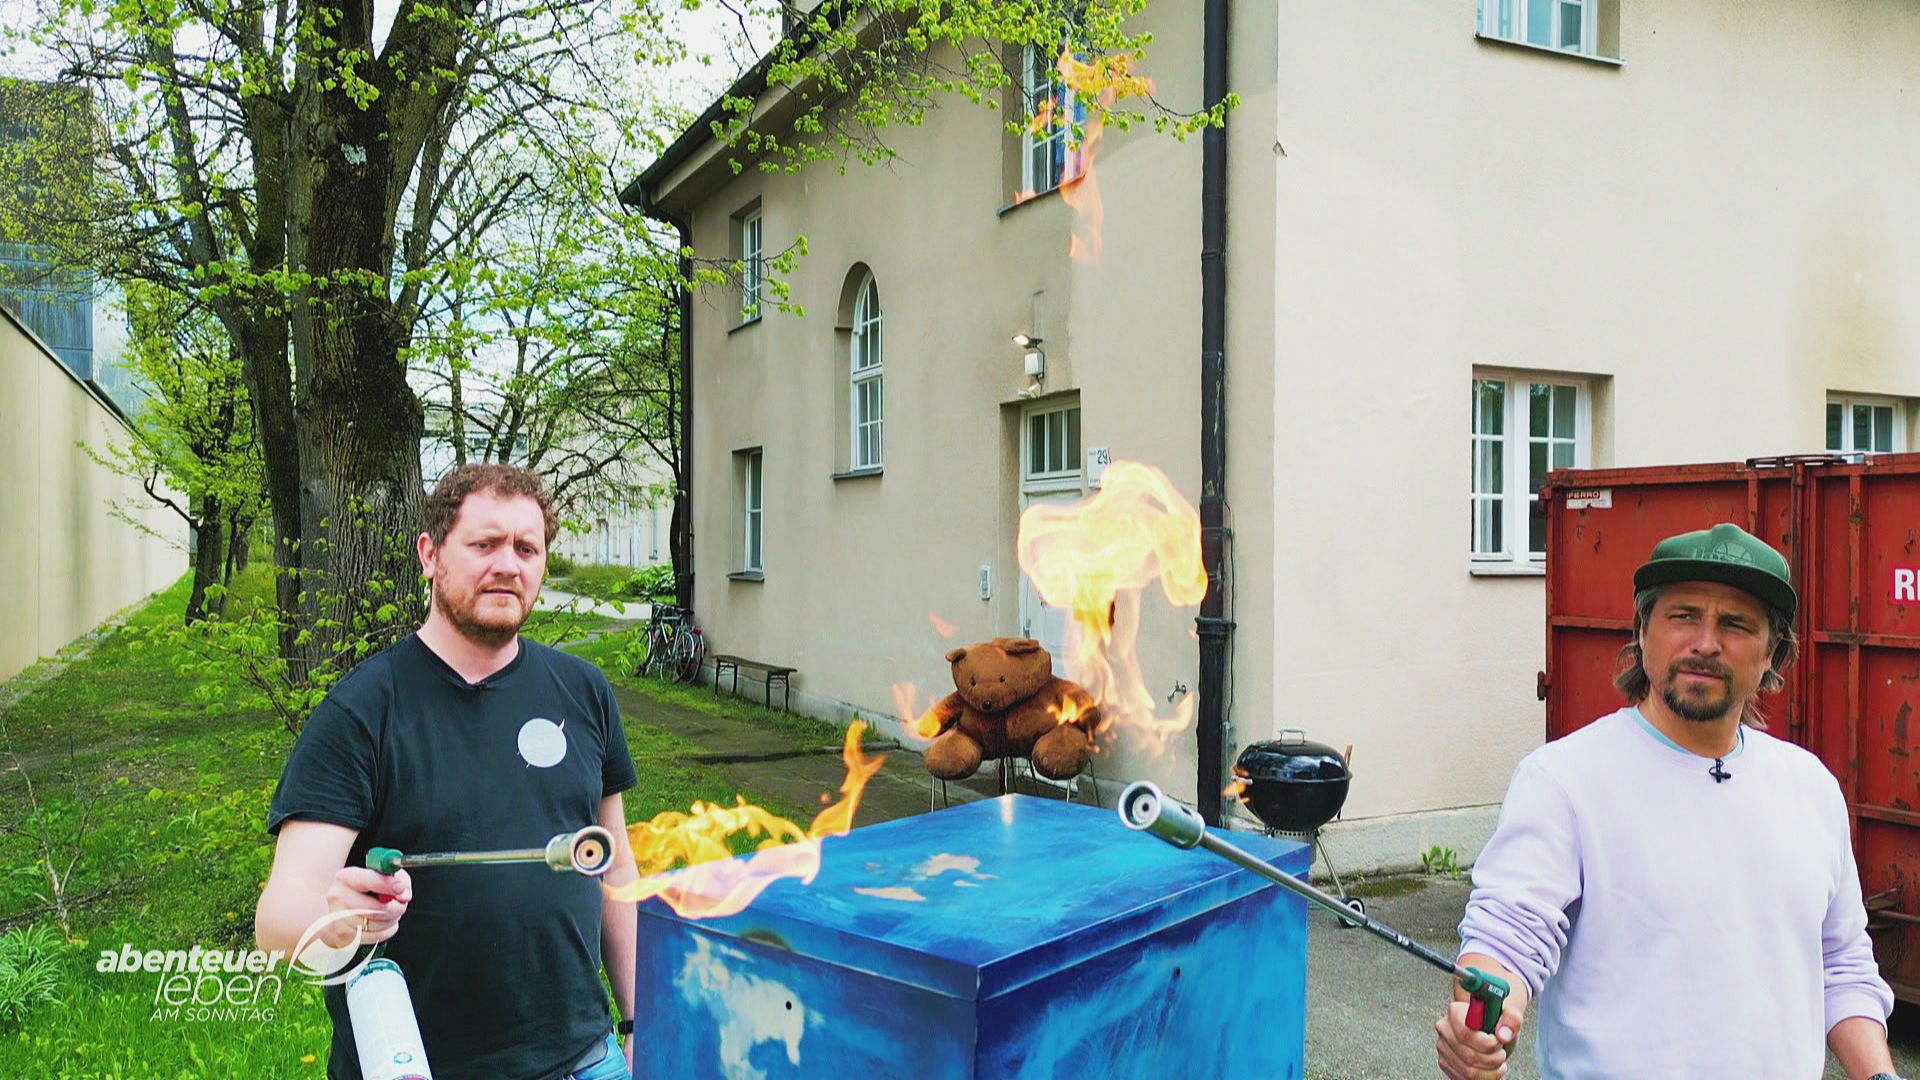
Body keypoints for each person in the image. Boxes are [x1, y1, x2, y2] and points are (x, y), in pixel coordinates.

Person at [1435, 522, 1900, 1080]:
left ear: (1773, 652)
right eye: (1683, 616)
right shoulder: (1564, 779)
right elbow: (1507, 936)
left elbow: (1842, 966)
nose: (1705, 642)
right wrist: (1481, 1021)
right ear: (1643, 630)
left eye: (1735, 624)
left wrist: (1879, 1077)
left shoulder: (1811, 787)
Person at [255, 463, 642, 1080]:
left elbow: (614, 862)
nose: (508, 565)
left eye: (526, 547)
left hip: (586, 1060)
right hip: (413, 1066)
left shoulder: (583, 690)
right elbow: (277, 921)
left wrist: (637, 1020)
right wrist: (338, 919)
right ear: (430, 554)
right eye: (484, 544)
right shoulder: (363, 711)